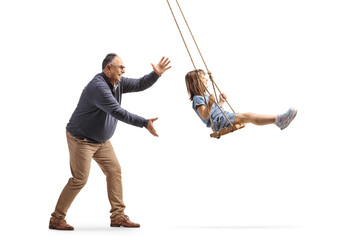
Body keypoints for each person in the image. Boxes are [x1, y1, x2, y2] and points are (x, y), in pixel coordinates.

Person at [49, 54, 171, 230]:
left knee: (114, 171)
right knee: (80, 179)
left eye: (123, 68)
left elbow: (138, 84)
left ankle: (118, 216)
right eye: (120, 67)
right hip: (81, 140)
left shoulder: (117, 81)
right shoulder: (98, 87)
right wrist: (144, 122)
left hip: (101, 141)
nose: (123, 71)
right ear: (108, 68)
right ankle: (56, 218)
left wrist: (156, 74)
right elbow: (117, 111)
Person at [185, 69, 297, 133]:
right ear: (196, 82)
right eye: (203, 77)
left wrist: (221, 102)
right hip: (219, 122)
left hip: (224, 117)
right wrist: (209, 103)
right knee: (248, 116)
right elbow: (205, 116)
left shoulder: (205, 95)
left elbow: (214, 110)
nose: (206, 79)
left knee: (249, 115)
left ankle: (277, 120)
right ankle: (278, 119)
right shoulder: (197, 98)